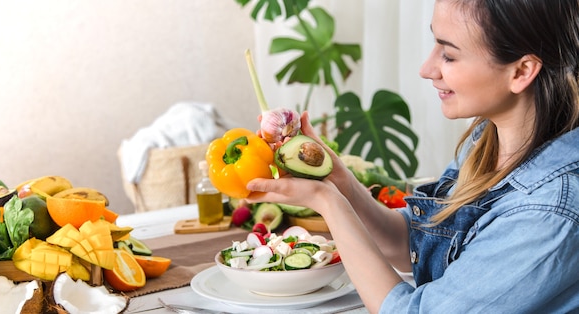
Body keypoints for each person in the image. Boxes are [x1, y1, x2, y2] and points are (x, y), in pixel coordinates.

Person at [245, 0, 579, 312]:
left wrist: (327, 203)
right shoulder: (488, 141)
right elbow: (415, 245)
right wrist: (340, 182)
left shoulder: (549, 212)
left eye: (448, 55)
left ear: (521, 71)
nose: (426, 68)